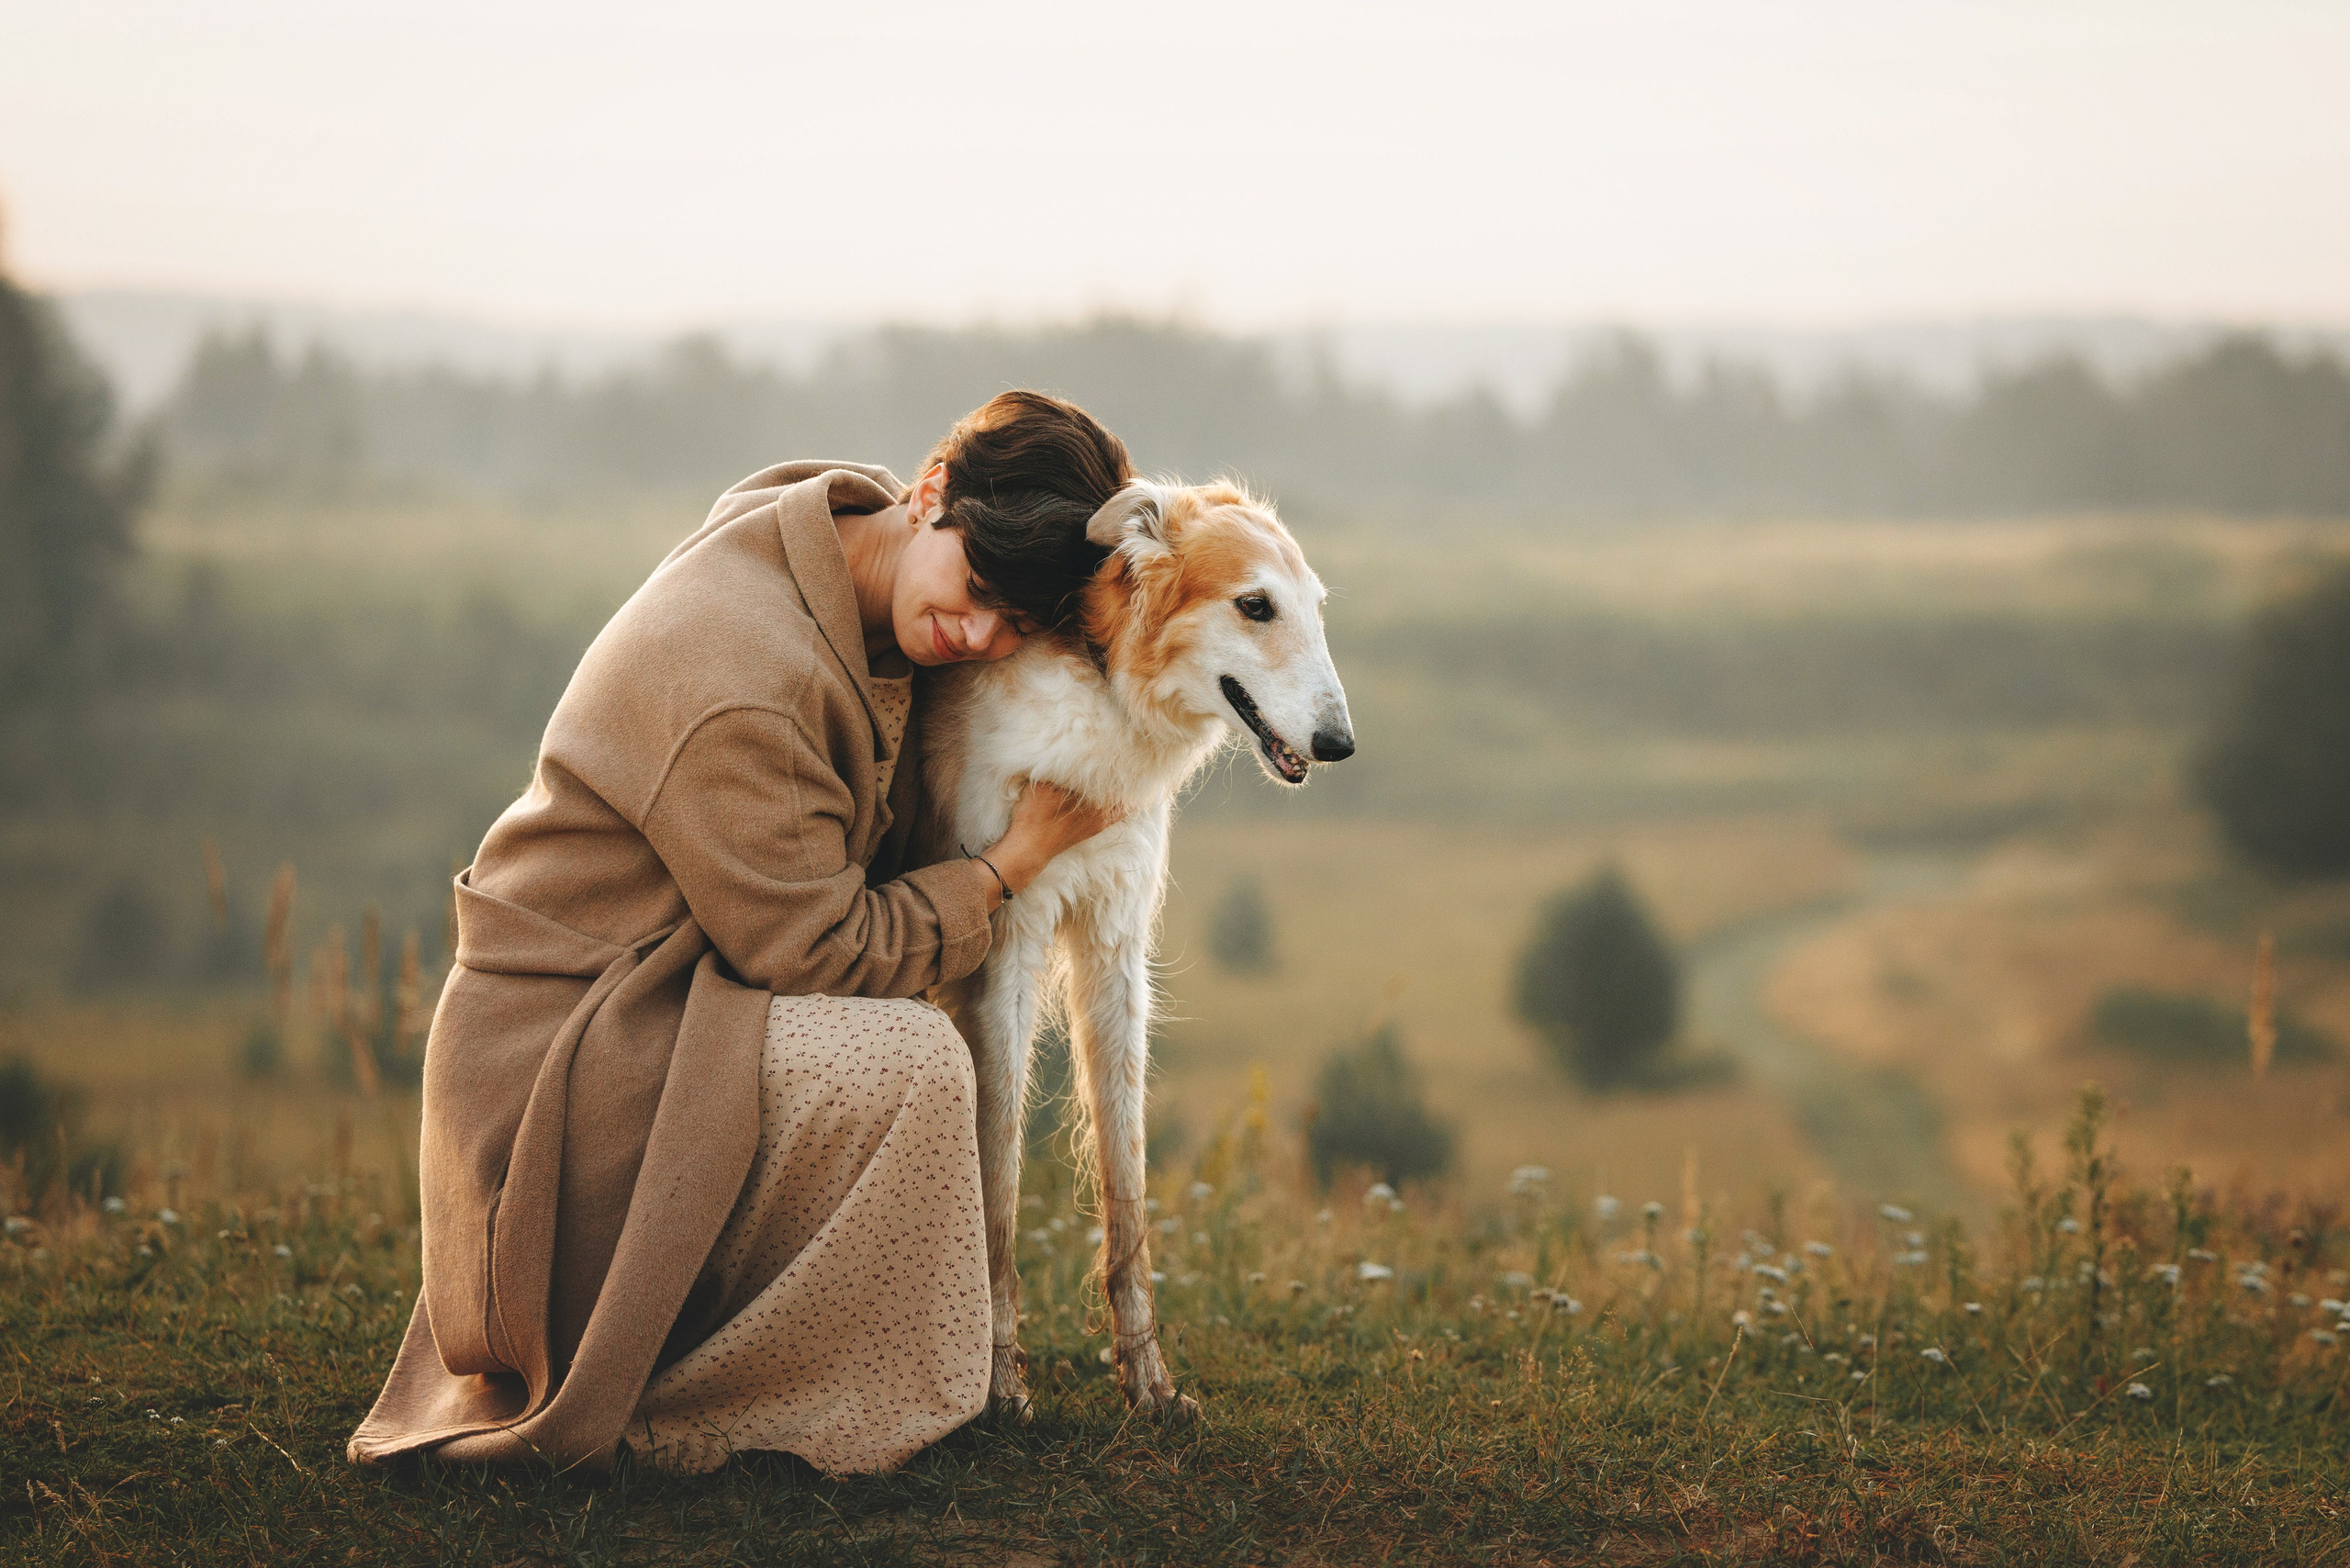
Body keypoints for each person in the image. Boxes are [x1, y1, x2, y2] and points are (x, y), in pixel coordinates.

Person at [349, 391, 1130, 1474]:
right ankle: (757, 1395)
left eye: (1017, 628)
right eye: (980, 591)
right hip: (563, 1074)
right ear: (934, 492)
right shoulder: (746, 679)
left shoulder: (837, 540)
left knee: (902, 1047)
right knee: (909, 1062)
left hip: (663, 1005)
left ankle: (837, 1363)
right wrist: (1008, 864)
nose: (979, 636)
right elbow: (819, 955)